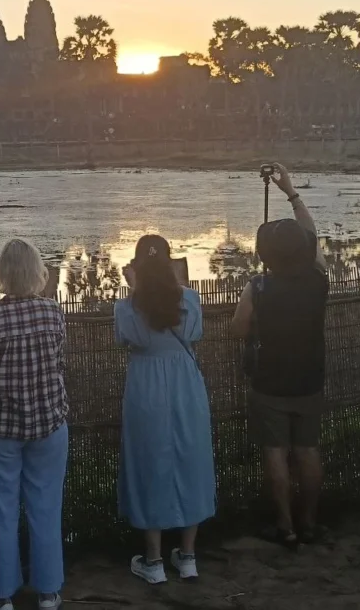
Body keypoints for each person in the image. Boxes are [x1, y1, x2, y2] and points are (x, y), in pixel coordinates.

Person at [230, 164, 329, 548]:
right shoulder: (319, 279)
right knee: (307, 449)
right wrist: (291, 192)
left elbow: (238, 329)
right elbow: (313, 237)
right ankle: (310, 521)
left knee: (275, 451)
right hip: (310, 377)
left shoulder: (258, 286)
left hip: (270, 379)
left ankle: (285, 526)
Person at [117, 234, 215, 585]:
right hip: (185, 384)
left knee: (150, 463)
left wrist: (133, 289)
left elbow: (127, 338)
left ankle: (154, 560)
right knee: (192, 458)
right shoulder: (190, 298)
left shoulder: (127, 305)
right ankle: (188, 557)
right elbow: (195, 333)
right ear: (170, 263)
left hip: (146, 386)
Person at [0, 239, 68, 610]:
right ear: (36, 272)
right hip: (49, 423)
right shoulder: (52, 313)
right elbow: (59, 363)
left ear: (1, 274)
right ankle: (48, 590)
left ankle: (2, 596)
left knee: (0, 510)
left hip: (3, 429)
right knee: (46, 506)